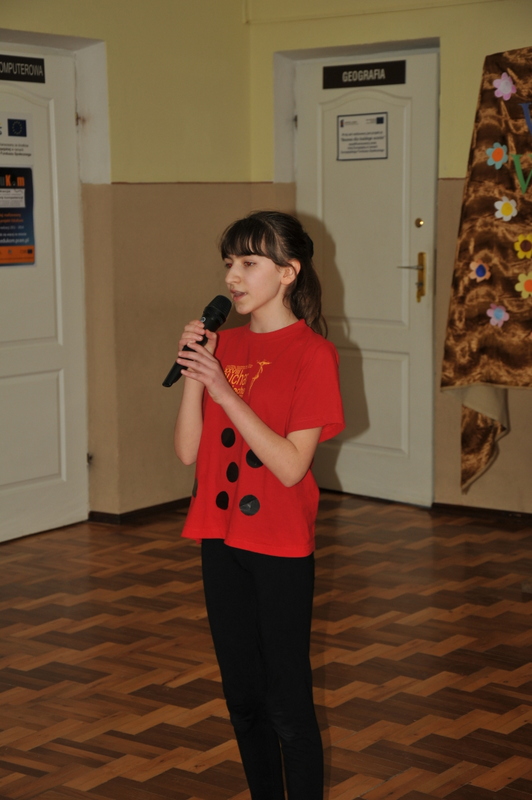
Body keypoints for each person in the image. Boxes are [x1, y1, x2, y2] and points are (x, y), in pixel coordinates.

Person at [173, 210, 345, 800]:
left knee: (287, 705)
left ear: (289, 272)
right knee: (242, 698)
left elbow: (292, 466)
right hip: (220, 538)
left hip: (279, 543)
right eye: (229, 263)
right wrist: (196, 370)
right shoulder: (226, 343)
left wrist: (223, 389)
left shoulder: (313, 354)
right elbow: (187, 451)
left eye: (249, 263)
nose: (233, 277)